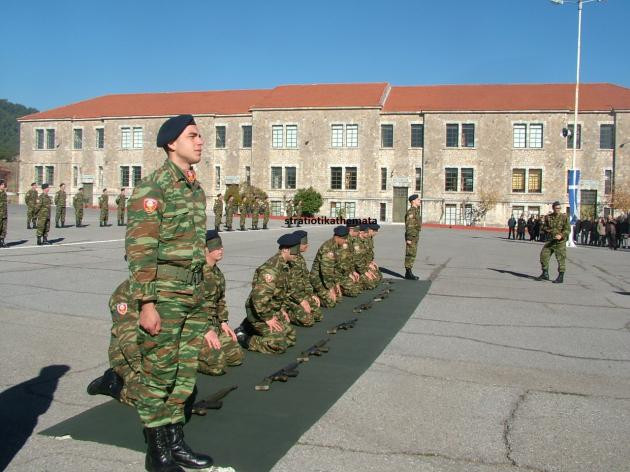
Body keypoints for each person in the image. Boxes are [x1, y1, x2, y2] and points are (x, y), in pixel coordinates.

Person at [125, 114, 212, 471]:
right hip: (163, 293)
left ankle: (175, 441)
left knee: (184, 371)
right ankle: (156, 449)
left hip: (191, 291)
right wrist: (147, 303)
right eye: (193, 136)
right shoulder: (153, 188)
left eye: (200, 135)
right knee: (159, 372)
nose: (200, 141)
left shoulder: (195, 188)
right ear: (171, 144)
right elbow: (140, 250)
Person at [235, 233, 298, 354]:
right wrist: (267, 318)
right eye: (295, 251)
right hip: (259, 313)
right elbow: (259, 299)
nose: (297, 254)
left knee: (290, 337)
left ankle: (247, 327)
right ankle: (243, 337)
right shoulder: (271, 270)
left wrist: (282, 309)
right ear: (285, 250)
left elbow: (282, 293)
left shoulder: (285, 266)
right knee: (278, 345)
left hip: (272, 310)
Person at [198, 230, 245, 375]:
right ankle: (183, 358)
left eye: (221, 246)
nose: (221, 249)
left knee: (236, 356)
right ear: (206, 250)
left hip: (214, 325)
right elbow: (187, 307)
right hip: (196, 329)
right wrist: (205, 330)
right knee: (217, 365)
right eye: (217, 247)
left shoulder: (217, 273)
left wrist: (223, 322)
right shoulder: (196, 274)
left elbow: (220, 301)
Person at [284, 230, 322, 326]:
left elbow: (305, 278)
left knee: (318, 315)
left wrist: (311, 294)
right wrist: (301, 301)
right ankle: (288, 313)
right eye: (304, 243)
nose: (307, 245)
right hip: (288, 297)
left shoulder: (299, 258)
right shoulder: (288, 260)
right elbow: (289, 287)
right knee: (308, 320)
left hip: (299, 294)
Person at [310, 225, 347, 308]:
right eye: (344, 239)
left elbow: (336, 268)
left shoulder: (337, 246)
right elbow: (326, 272)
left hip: (328, 278)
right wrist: (330, 289)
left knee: (339, 298)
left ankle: (322, 292)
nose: (345, 241)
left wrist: (336, 284)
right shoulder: (328, 248)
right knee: (330, 303)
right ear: (337, 237)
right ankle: (313, 294)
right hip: (318, 278)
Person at [537, 201, 570, 284]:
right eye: (556, 208)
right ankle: (545, 273)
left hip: (560, 242)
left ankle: (561, 276)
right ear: (553, 208)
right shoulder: (548, 217)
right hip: (550, 240)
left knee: (560, 258)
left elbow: (567, 229)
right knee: (543, 255)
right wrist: (547, 230)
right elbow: (544, 227)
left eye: (559, 208)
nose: (558, 210)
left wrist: (561, 235)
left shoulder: (564, 217)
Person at [404, 194, 422, 280]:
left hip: (415, 236)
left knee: (413, 254)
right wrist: (409, 238)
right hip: (412, 236)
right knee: (410, 254)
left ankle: (409, 271)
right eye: (418, 200)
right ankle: (408, 272)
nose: (420, 201)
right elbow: (409, 225)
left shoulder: (416, 211)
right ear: (413, 201)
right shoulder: (411, 212)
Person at [0, 180, 7, 247]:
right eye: (2, 184)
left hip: (4, 214)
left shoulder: (4, 193)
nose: (3, 186)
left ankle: (2, 241)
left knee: (4, 228)